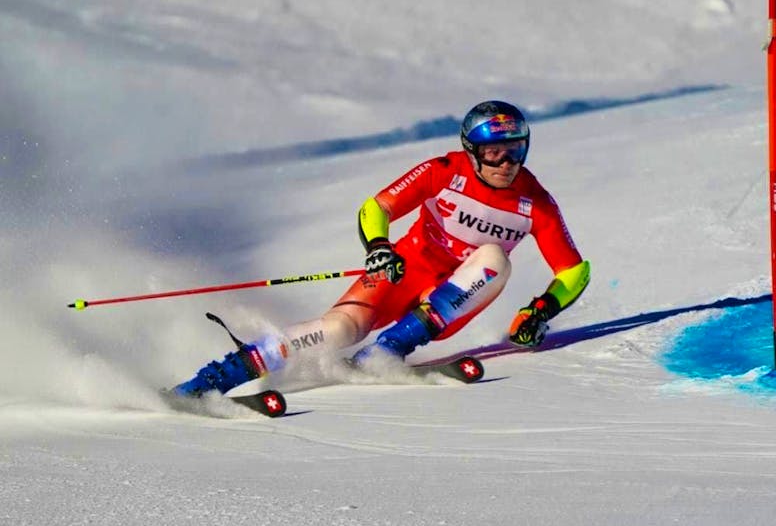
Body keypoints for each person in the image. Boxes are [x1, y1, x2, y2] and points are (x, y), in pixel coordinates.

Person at [173, 100, 591, 397]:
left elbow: (574, 271)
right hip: (403, 271)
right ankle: (214, 380)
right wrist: (378, 247)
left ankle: (389, 349)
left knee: (494, 258)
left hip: (453, 298)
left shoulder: (534, 202)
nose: (507, 164)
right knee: (337, 330)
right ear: (473, 151)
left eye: (515, 151)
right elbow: (377, 207)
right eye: (495, 153)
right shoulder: (442, 171)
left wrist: (539, 312)